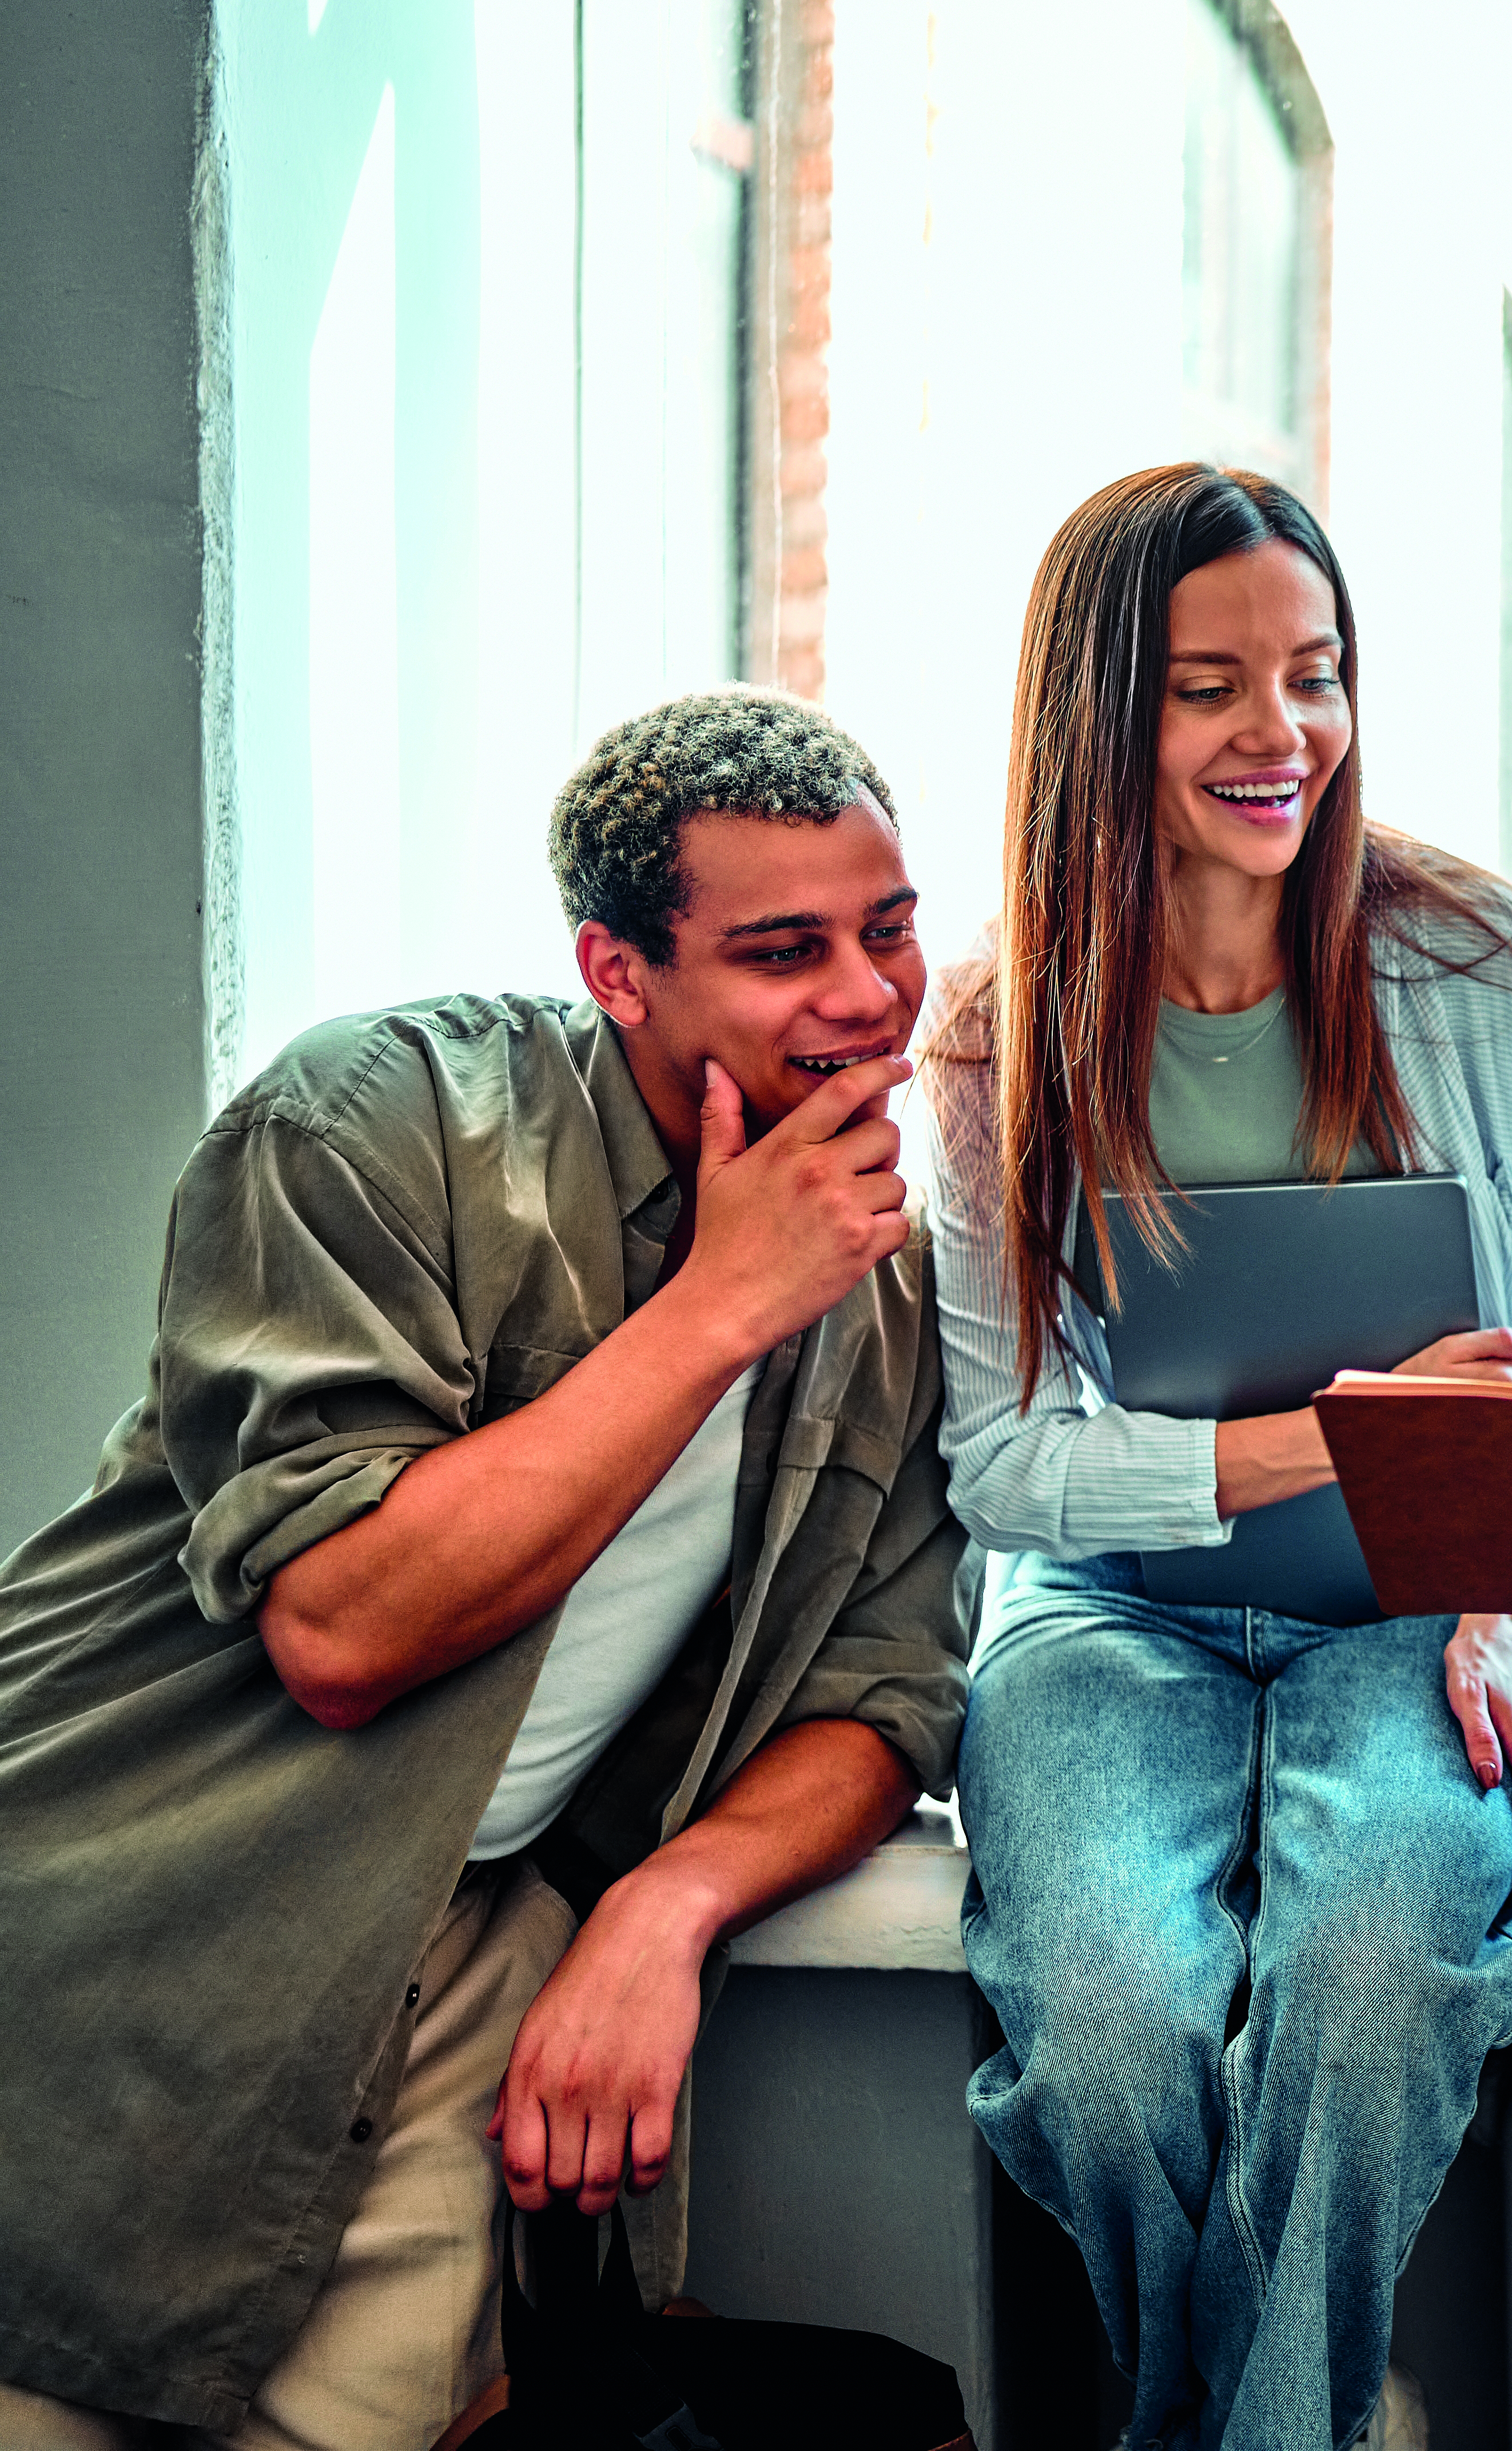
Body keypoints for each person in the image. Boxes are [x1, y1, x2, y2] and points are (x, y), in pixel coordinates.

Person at [0, 692, 968, 2450]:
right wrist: (722, 1308)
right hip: (140, 1910)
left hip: (470, 1953)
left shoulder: (887, 1269)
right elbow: (344, 1624)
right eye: (781, 950)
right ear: (617, 971)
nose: (865, 995)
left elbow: (885, 1696)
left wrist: (663, 1910)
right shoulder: (377, 1121)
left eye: (888, 928)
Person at [925, 463, 1512, 2451]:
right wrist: (1302, 1449)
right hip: (1106, 1629)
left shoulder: (1476, 965)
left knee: (1375, 1978)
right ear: (1098, 716)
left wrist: (1504, 1606)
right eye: (1210, 685)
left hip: (1424, 1616)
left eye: (1313, 676)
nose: (1280, 735)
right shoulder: (993, 1036)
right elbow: (1006, 1463)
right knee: (1117, 2034)